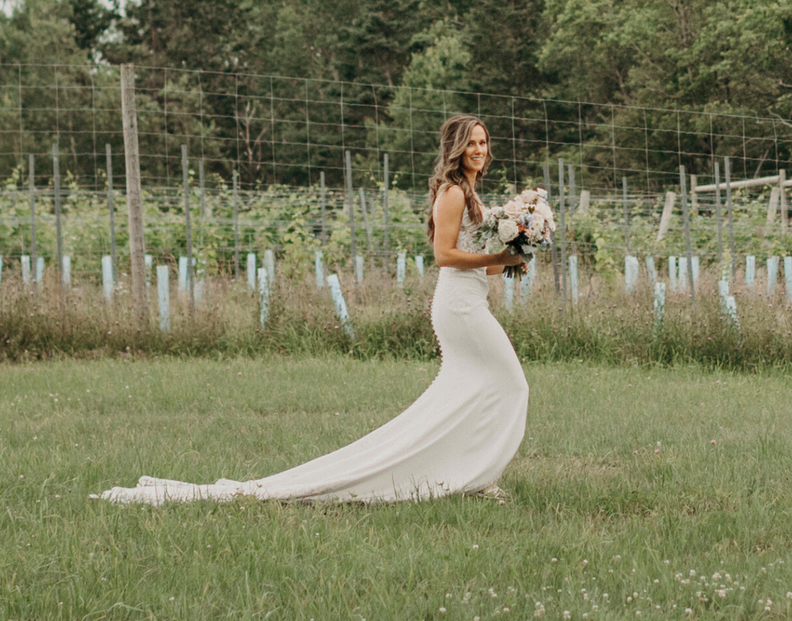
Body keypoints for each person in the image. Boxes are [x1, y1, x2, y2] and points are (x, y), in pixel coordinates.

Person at [97, 114, 533, 505]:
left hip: (467, 299)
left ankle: (469, 475)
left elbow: (470, 266)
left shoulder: (472, 193)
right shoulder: (453, 193)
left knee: (473, 391)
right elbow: (444, 258)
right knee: (511, 384)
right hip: (459, 309)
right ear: (456, 148)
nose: (480, 150)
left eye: (484, 142)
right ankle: (476, 475)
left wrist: (510, 262)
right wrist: (498, 259)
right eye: (472, 143)